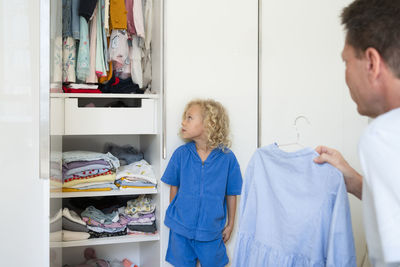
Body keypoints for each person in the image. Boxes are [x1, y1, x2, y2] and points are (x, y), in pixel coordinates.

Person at [313, 0, 400, 266]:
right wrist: (353, 180)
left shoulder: (384, 135)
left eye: (347, 62)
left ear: (372, 62)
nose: (346, 75)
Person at [161, 99, 243, 267]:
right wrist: (176, 217)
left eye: (189, 118)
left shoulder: (227, 158)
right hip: (181, 231)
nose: (183, 122)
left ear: (209, 123)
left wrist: (231, 224)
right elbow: (173, 185)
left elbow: (231, 193)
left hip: (212, 233)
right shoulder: (181, 154)